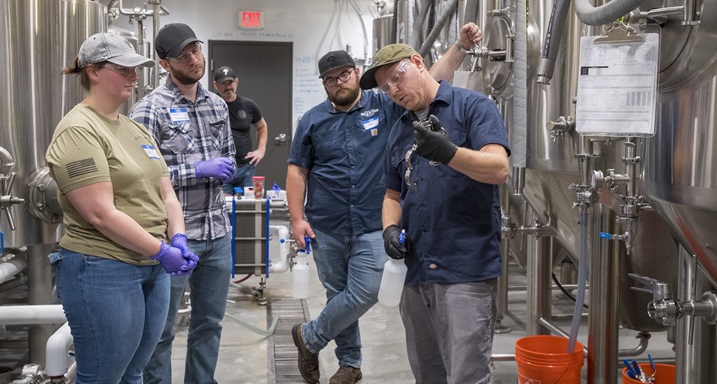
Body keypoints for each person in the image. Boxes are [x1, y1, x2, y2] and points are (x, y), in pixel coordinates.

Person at [287, 23, 482, 384]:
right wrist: (297, 218)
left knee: (365, 291)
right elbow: (298, 171)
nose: (339, 82)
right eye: (330, 79)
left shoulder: (385, 102)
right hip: (327, 223)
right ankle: (350, 364)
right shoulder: (312, 121)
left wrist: (459, 47)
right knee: (338, 295)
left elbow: (432, 76)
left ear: (356, 73)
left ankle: (310, 337)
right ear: (324, 85)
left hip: (373, 222)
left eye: (344, 74)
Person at [46, 32, 198, 383]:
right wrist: (161, 250)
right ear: (94, 72)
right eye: (124, 69)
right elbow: (100, 214)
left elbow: (166, 193)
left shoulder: (133, 129)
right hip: (104, 267)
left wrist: (178, 239)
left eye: (136, 69)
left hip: (152, 266)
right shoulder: (78, 130)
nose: (134, 76)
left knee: (134, 373)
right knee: (103, 377)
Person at [360, 43, 510, 384]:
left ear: (417, 63)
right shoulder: (400, 129)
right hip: (414, 274)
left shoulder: (473, 106)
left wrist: (449, 153)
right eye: (385, 88)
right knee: (427, 375)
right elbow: (391, 195)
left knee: (466, 376)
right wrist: (389, 228)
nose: (393, 90)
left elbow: (499, 168)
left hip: (463, 271)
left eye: (396, 78)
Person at [130, 23, 236, 384]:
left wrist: (226, 169)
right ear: (164, 64)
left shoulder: (217, 105)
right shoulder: (149, 110)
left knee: (209, 324)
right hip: (174, 237)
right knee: (160, 330)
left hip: (217, 232)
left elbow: (229, 155)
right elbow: (141, 178)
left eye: (196, 50)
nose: (194, 59)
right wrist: (196, 169)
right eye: (183, 55)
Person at [212, 66, 268, 195]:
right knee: (225, 209)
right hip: (222, 168)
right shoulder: (210, 105)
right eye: (223, 84)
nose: (228, 87)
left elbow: (262, 126)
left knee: (247, 209)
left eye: (230, 82)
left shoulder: (248, 105)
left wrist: (261, 150)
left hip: (246, 168)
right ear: (215, 85)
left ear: (236, 82)